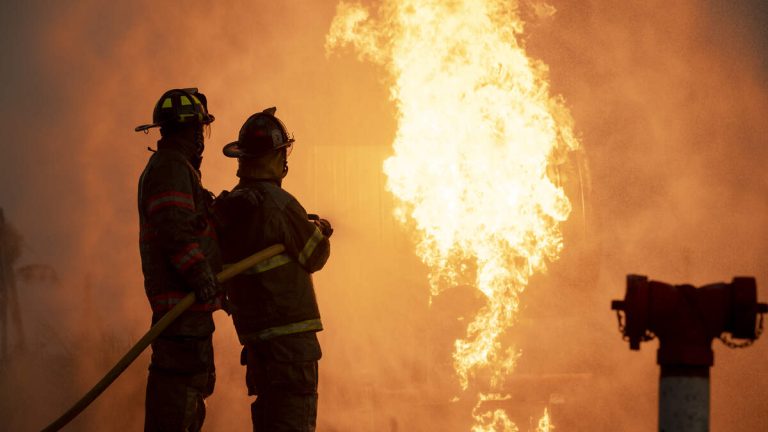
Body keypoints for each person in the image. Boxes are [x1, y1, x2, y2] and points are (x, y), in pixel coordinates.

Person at [214, 107, 332, 431]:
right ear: (276, 156)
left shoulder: (229, 207)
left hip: (257, 346)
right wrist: (319, 232)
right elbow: (316, 255)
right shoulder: (279, 204)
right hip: (291, 349)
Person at [135, 88, 223, 431]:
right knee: (177, 408)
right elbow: (174, 229)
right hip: (180, 318)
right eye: (199, 129)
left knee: (187, 403)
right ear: (189, 130)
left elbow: (191, 227)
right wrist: (202, 276)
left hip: (188, 321)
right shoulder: (171, 167)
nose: (202, 138)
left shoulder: (178, 168)